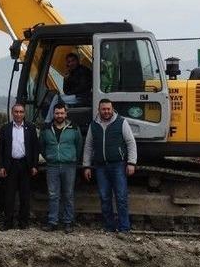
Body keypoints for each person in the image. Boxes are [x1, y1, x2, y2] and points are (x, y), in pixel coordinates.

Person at [83, 98, 138, 232]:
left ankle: (124, 228)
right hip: (101, 167)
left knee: (121, 197)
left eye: (108, 109)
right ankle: (109, 226)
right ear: (99, 110)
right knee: (104, 197)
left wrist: (131, 162)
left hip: (118, 165)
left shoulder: (121, 122)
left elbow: (130, 142)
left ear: (112, 109)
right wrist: (86, 165)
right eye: (104, 109)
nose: (106, 111)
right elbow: (89, 146)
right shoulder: (93, 125)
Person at [39, 102, 83, 233]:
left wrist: (73, 158)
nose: (59, 115)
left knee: (68, 195)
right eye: (57, 113)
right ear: (53, 114)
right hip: (52, 166)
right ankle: (53, 222)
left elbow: (79, 145)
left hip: (69, 166)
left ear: (66, 114)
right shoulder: (46, 129)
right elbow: (41, 146)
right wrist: (49, 157)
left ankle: (68, 222)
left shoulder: (74, 128)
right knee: (53, 195)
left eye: (62, 113)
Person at [0, 103, 39, 230]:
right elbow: (1, 149)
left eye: (21, 112)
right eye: (16, 112)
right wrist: (1, 166)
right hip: (11, 165)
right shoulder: (5, 128)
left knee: (25, 196)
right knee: (9, 196)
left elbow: (35, 148)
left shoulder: (30, 128)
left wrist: (34, 165)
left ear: (24, 114)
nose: (18, 114)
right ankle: (8, 222)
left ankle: (23, 222)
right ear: (12, 113)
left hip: (25, 165)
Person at [45, 52, 93, 122]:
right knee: (55, 96)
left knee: (57, 98)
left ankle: (48, 121)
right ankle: (52, 120)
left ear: (77, 61)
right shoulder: (71, 73)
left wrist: (70, 91)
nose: (71, 63)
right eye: (69, 62)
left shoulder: (84, 71)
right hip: (75, 96)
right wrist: (66, 80)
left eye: (73, 60)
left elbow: (82, 88)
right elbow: (66, 91)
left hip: (83, 97)